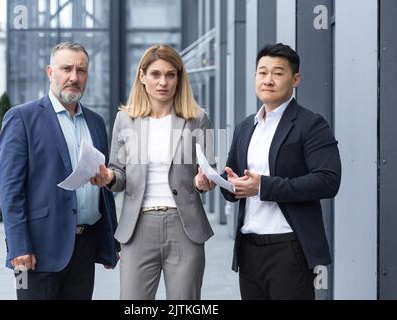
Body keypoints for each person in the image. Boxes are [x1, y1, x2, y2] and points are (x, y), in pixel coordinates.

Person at [91, 44, 216, 300]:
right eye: (156, 74)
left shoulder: (198, 119)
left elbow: (208, 172)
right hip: (137, 227)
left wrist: (203, 181)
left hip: (184, 227)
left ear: (179, 78)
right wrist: (110, 177)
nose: (163, 82)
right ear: (142, 76)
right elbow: (118, 173)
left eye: (171, 74)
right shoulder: (125, 120)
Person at [219, 43, 341, 300]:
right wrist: (222, 183)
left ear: (295, 79)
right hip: (249, 249)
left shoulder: (311, 124)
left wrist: (263, 186)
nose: (268, 80)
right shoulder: (245, 127)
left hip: (289, 248)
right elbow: (233, 182)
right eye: (262, 73)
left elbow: (328, 181)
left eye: (277, 73)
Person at [0, 41, 119, 300]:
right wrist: (18, 246)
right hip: (32, 251)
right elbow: (10, 190)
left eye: (81, 70)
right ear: (50, 72)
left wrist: (112, 241)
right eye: (66, 69)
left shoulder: (96, 123)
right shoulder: (20, 118)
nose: (74, 77)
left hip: (83, 247)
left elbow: (103, 191)